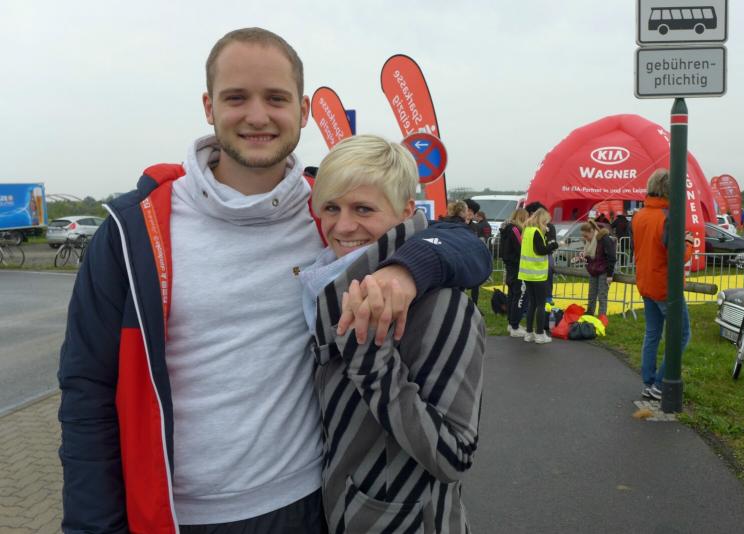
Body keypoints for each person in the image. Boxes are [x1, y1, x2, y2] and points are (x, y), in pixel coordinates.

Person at [57, 27, 492, 533]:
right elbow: (87, 390)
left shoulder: (324, 211)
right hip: (181, 513)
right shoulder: (135, 229)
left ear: (303, 110)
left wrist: (407, 269)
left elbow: (462, 243)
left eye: (276, 98)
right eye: (236, 97)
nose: (258, 116)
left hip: (310, 504)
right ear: (209, 106)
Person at [300, 135, 485, 533]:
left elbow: (453, 456)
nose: (342, 226)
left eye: (363, 208)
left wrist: (370, 359)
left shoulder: (441, 306)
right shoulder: (324, 287)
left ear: (405, 211)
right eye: (331, 207)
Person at [631, 169, 692, 401]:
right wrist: (689, 243)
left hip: (645, 282)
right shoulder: (667, 218)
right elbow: (678, 256)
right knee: (682, 334)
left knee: (652, 334)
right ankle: (660, 383)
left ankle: (648, 382)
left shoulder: (639, 215)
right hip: (665, 287)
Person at [518, 207, 558, 343]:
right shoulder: (536, 232)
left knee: (532, 304)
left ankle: (529, 333)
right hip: (537, 273)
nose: (547, 225)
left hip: (527, 272)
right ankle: (540, 334)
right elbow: (541, 250)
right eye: (546, 222)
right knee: (540, 304)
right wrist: (554, 245)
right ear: (542, 220)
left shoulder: (527, 230)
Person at [500, 208, 529, 337]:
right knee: (520, 296)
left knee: (512, 295)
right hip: (517, 266)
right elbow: (521, 247)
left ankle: (511, 324)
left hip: (510, 266)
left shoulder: (506, 229)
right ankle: (515, 326)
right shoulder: (515, 229)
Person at [578, 220, 616, 317]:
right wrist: (583, 257)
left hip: (604, 271)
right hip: (593, 271)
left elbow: (611, 257)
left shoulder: (605, 239)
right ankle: (589, 315)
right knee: (591, 294)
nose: (585, 238)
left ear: (592, 231)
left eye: (586, 236)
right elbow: (591, 256)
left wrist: (609, 275)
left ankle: (602, 318)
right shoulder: (590, 242)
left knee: (602, 296)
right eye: (583, 236)